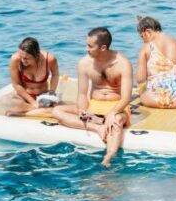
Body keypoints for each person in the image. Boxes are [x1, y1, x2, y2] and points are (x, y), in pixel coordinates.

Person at [50, 27, 133, 167]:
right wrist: (83, 109)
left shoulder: (123, 63)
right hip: (94, 104)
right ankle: (97, 128)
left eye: (90, 46)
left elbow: (126, 98)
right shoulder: (84, 63)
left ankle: (108, 158)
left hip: (116, 105)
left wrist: (113, 113)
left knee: (116, 121)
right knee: (56, 111)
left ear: (103, 48)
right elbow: (82, 94)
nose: (86, 49)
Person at [135, 15, 176, 108]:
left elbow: (140, 79)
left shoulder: (146, 47)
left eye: (142, 37)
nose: (143, 41)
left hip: (154, 100)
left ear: (148, 32)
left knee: (141, 89)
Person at [6, 37, 59, 113]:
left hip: (43, 96)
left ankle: (26, 111)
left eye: (26, 58)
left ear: (36, 55)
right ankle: (42, 110)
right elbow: (16, 84)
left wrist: (51, 92)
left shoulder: (50, 59)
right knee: (6, 101)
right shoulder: (15, 59)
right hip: (24, 96)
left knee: (60, 107)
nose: (22, 60)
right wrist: (33, 102)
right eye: (21, 56)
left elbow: (55, 75)